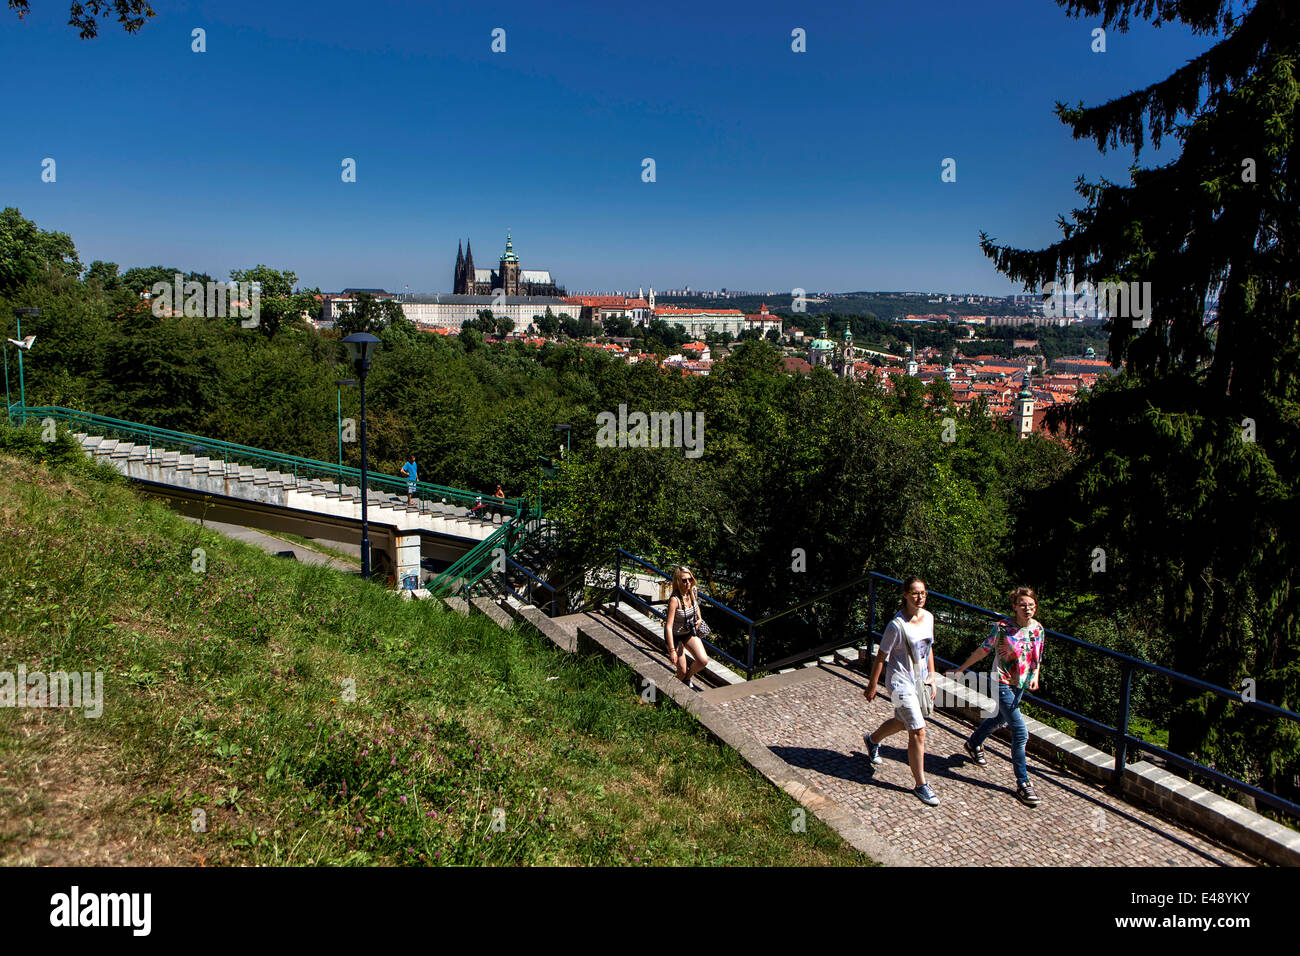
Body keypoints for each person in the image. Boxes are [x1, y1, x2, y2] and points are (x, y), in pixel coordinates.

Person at [952, 586, 1045, 807]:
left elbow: (1037, 656)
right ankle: (1023, 783)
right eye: (1022, 605)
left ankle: (974, 743)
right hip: (1001, 682)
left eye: (1031, 605)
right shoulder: (1003, 627)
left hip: (1020, 684)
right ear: (1014, 606)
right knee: (1020, 733)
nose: (1027, 609)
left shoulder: (1038, 629)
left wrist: (1036, 676)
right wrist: (962, 668)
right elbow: (984, 650)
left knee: (1001, 719)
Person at [863, 576, 939, 806]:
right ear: (905, 595)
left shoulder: (929, 618)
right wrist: (872, 684)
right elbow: (881, 656)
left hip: (919, 681)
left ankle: (872, 740)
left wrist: (932, 677)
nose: (920, 597)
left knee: (902, 721)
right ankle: (921, 785)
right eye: (915, 593)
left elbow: (929, 649)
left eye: (923, 593)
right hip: (898, 682)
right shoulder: (896, 625)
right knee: (918, 730)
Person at [664, 566, 711, 691]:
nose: (688, 583)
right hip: (675, 636)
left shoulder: (692, 591)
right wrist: (673, 650)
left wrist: (699, 618)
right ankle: (669, 691)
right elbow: (668, 626)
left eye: (690, 579)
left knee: (703, 661)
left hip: (688, 632)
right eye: (684, 580)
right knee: (681, 671)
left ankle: (687, 678)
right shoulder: (674, 600)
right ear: (678, 581)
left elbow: (696, 607)